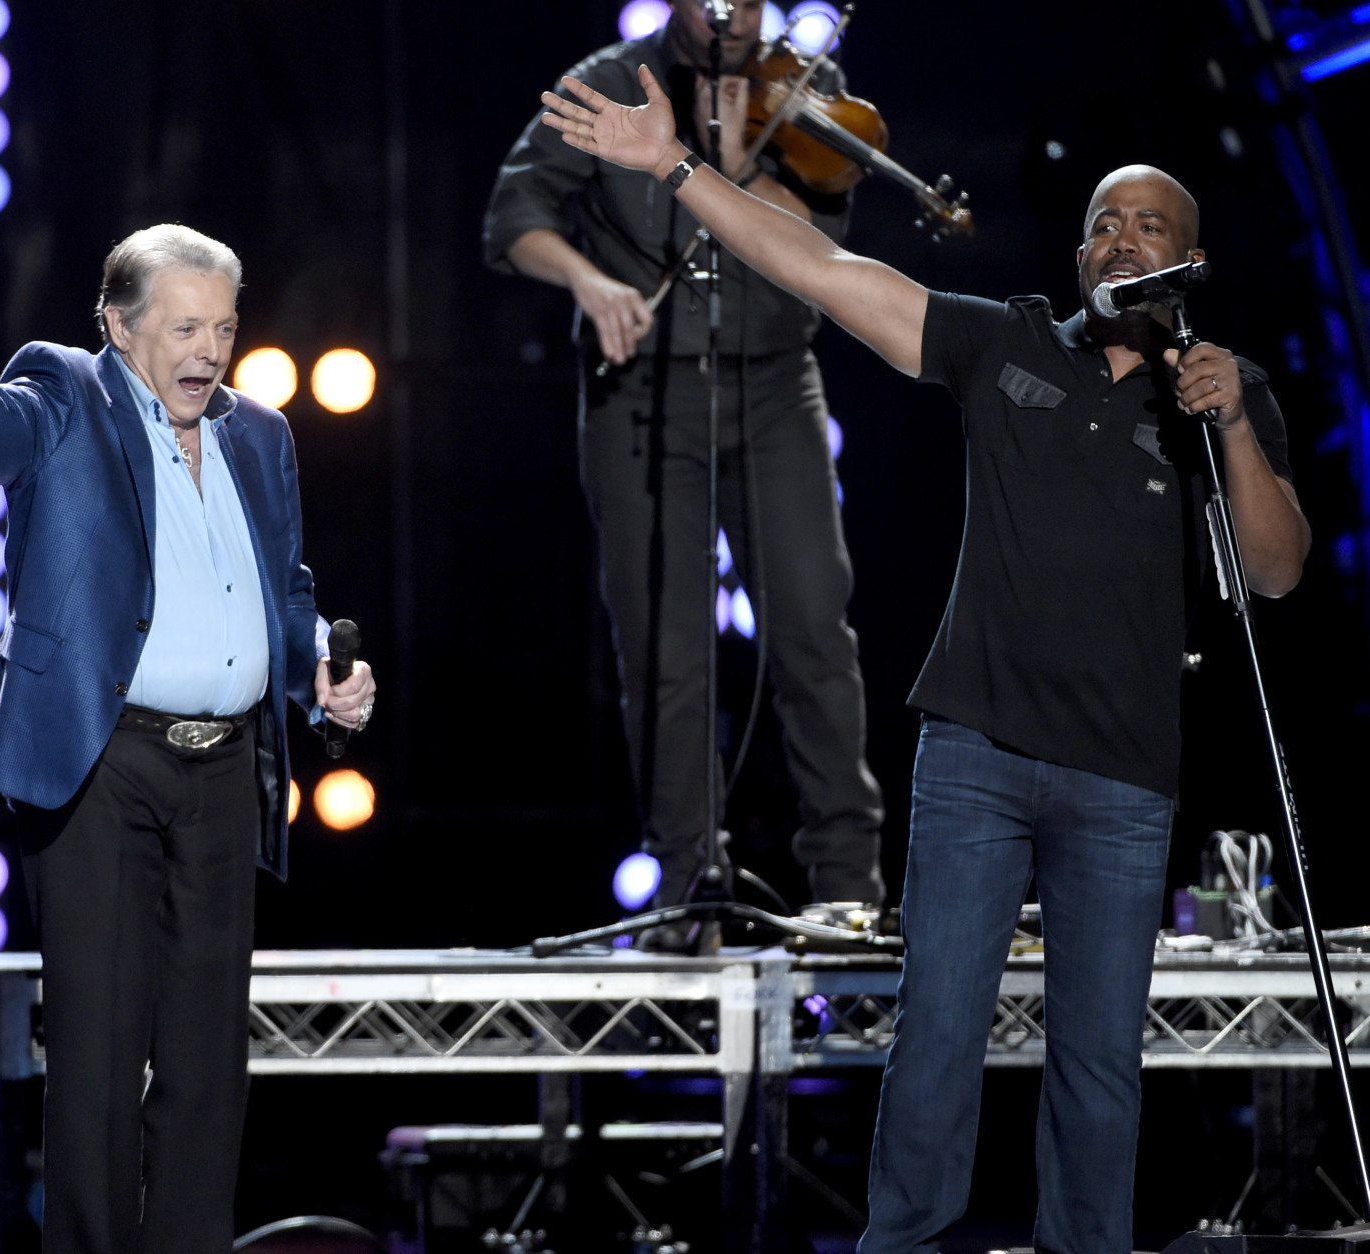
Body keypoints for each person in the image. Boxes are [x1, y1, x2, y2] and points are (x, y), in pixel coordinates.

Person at [539, 71, 1309, 1252]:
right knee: (935, 1037)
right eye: (1100, 221)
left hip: (1120, 777)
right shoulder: (1002, 343)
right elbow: (822, 270)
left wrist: (1232, 425)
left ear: (1186, 262)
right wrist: (676, 170)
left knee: (1098, 1064)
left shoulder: (1218, 396)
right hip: (974, 757)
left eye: (1145, 225)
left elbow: (1272, 571)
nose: (1116, 238)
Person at [0, 224, 377, 1254]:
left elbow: (283, 591)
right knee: (101, 1057)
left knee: (206, 1066)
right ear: (118, 326)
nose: (209, 350)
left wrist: (317, 677)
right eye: (185, 327)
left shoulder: (262, 434)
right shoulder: (65, 392)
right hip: (101, 761)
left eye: (225, 328)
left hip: (225, 769)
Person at [483, 0, 886, 930]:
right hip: (643, 390)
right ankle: (686, 886)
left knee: (814, 631)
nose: (729, 15)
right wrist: (588, 279)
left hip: (777, 386)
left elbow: (815, 234)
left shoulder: (806, 91)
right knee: (665, 651)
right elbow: (515, 218)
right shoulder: (607, 80)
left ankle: (848, 885)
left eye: (746, 1)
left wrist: (732, 156)